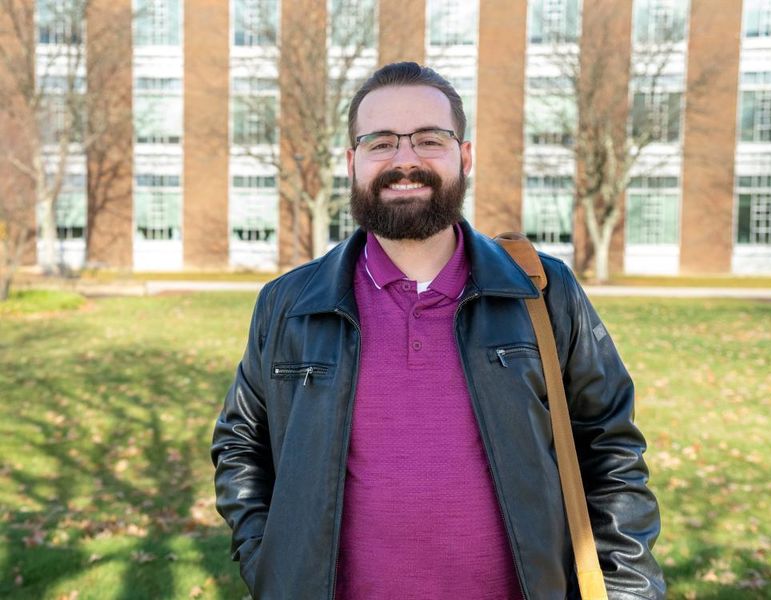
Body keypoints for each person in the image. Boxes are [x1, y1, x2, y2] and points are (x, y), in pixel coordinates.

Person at [211, 62, 665, 600]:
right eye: (381, 143)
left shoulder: (542, 292)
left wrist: (628, 591)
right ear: (352, 163)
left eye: (429, 139)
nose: (405, 160)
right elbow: (241, 443)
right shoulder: (287, 305)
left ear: (464, 156)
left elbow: (610, 449)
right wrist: (272, 565)